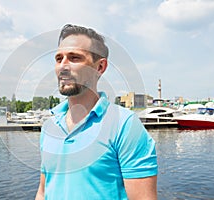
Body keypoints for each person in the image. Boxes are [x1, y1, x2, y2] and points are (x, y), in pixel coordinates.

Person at [35, 24, 158, 200]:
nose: (63, 66)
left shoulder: (124, 125)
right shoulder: (49, 127)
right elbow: (43, 191)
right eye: (58, 58)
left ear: (100, 67)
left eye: (74, 58)